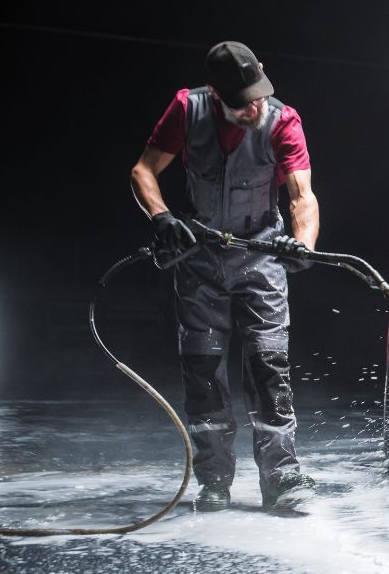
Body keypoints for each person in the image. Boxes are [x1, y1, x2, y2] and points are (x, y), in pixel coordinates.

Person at [130, 41, 319, 511]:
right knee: (204, 371)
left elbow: (301, 196)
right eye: (241, 100)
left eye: (258, 92)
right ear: (214, 92)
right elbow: (143, 170)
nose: (253, 105)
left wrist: (303, 243)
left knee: (269, 367)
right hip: (200, 260)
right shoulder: (186, 109)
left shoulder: (282, 120)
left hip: (262, 257)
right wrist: (161, 217)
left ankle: (282, 480)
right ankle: (213, 480)